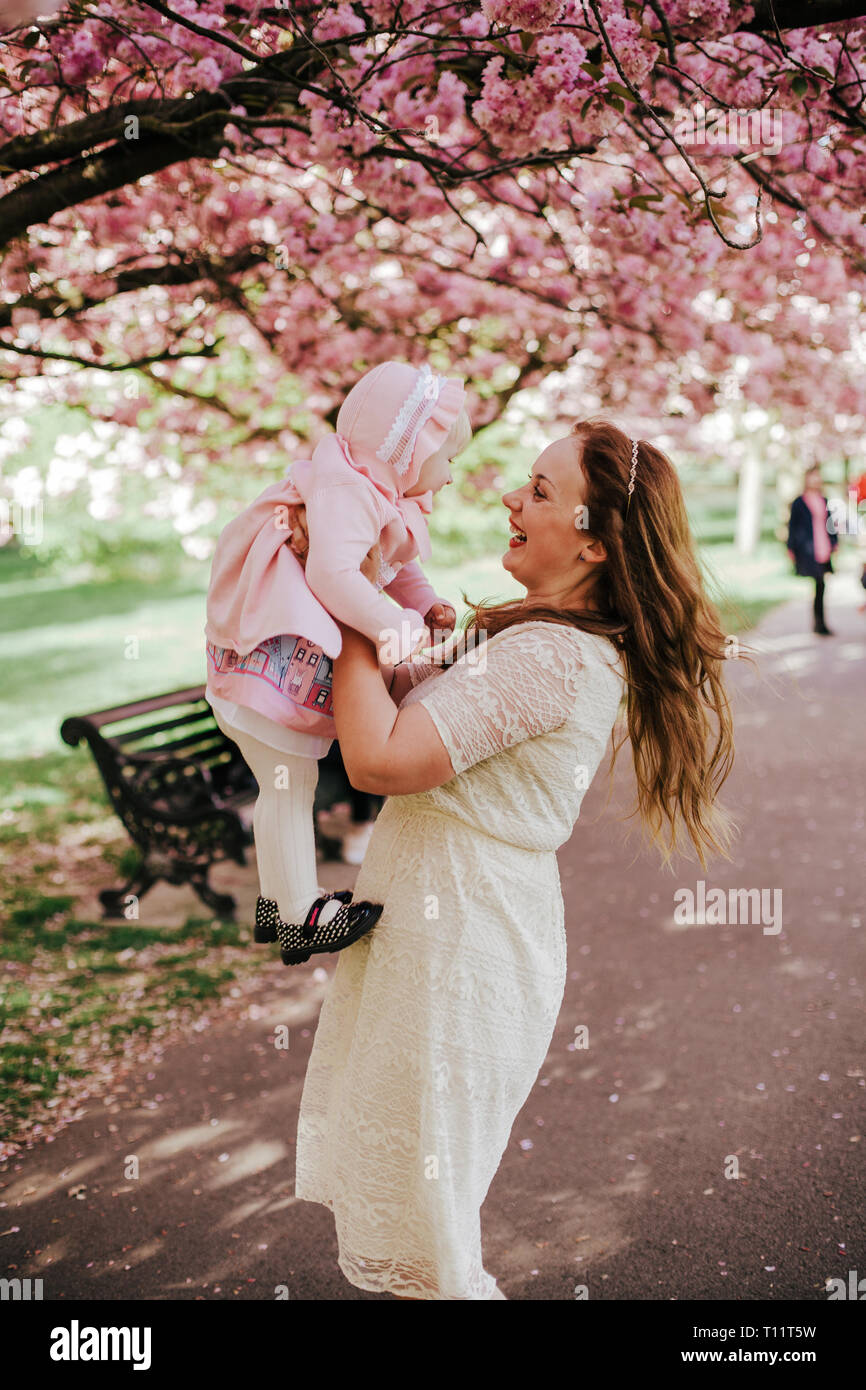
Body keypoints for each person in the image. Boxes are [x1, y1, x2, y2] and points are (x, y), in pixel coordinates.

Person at [294, 420, 737, 1300]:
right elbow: (400, 718)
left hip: (460, 942)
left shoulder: (548, 657)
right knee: (424, 1230)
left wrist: (343, 604)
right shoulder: (538, 638)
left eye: (539, 490)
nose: (510, 499)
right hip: (441, 926)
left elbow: (378, 760)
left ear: (597, 541)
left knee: (434, 1243)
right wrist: (365, 584)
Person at [204, 360, 471, 963]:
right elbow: (332, 574)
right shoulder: (348, 490)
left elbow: (395, 564)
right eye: (446, 457)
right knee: (287, 787)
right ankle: (300, 915)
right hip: (265, 666)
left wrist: (423, 603)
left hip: (261, 664)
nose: (451, 475)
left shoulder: (369, 489)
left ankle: (278, 902)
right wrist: (394, 628)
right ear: (407, 448)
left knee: (286, 786)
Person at [786, 465, 838, 635]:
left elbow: (831, 524)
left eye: (818, 476)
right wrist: (791, 547)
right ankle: (819, 624)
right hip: (808, 548)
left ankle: (820, 623)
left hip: (823, 546)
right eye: (812, 476)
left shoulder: (824, 500)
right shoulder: (799, 502)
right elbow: (793, 527)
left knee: (821, 585)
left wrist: (834, 542)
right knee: (820, 584)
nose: (816, 479)